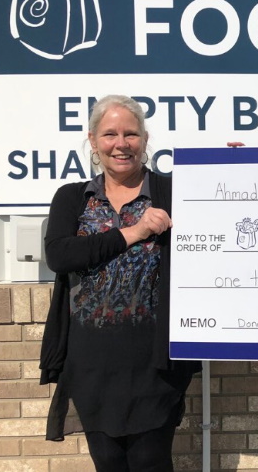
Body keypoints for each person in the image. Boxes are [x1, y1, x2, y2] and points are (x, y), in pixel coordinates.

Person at [39, 95, 200, 472]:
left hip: (152, 358)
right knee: (108, 460)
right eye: (110, 134)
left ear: (144, 139)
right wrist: (135, 231)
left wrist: (235, 167)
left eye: (131, 133)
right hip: (91, 357)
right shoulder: (72, 198)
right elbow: (61, 256)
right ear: (93, 141)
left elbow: (224, 213)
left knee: (150, 459)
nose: (121, 143)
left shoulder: (172, 193)